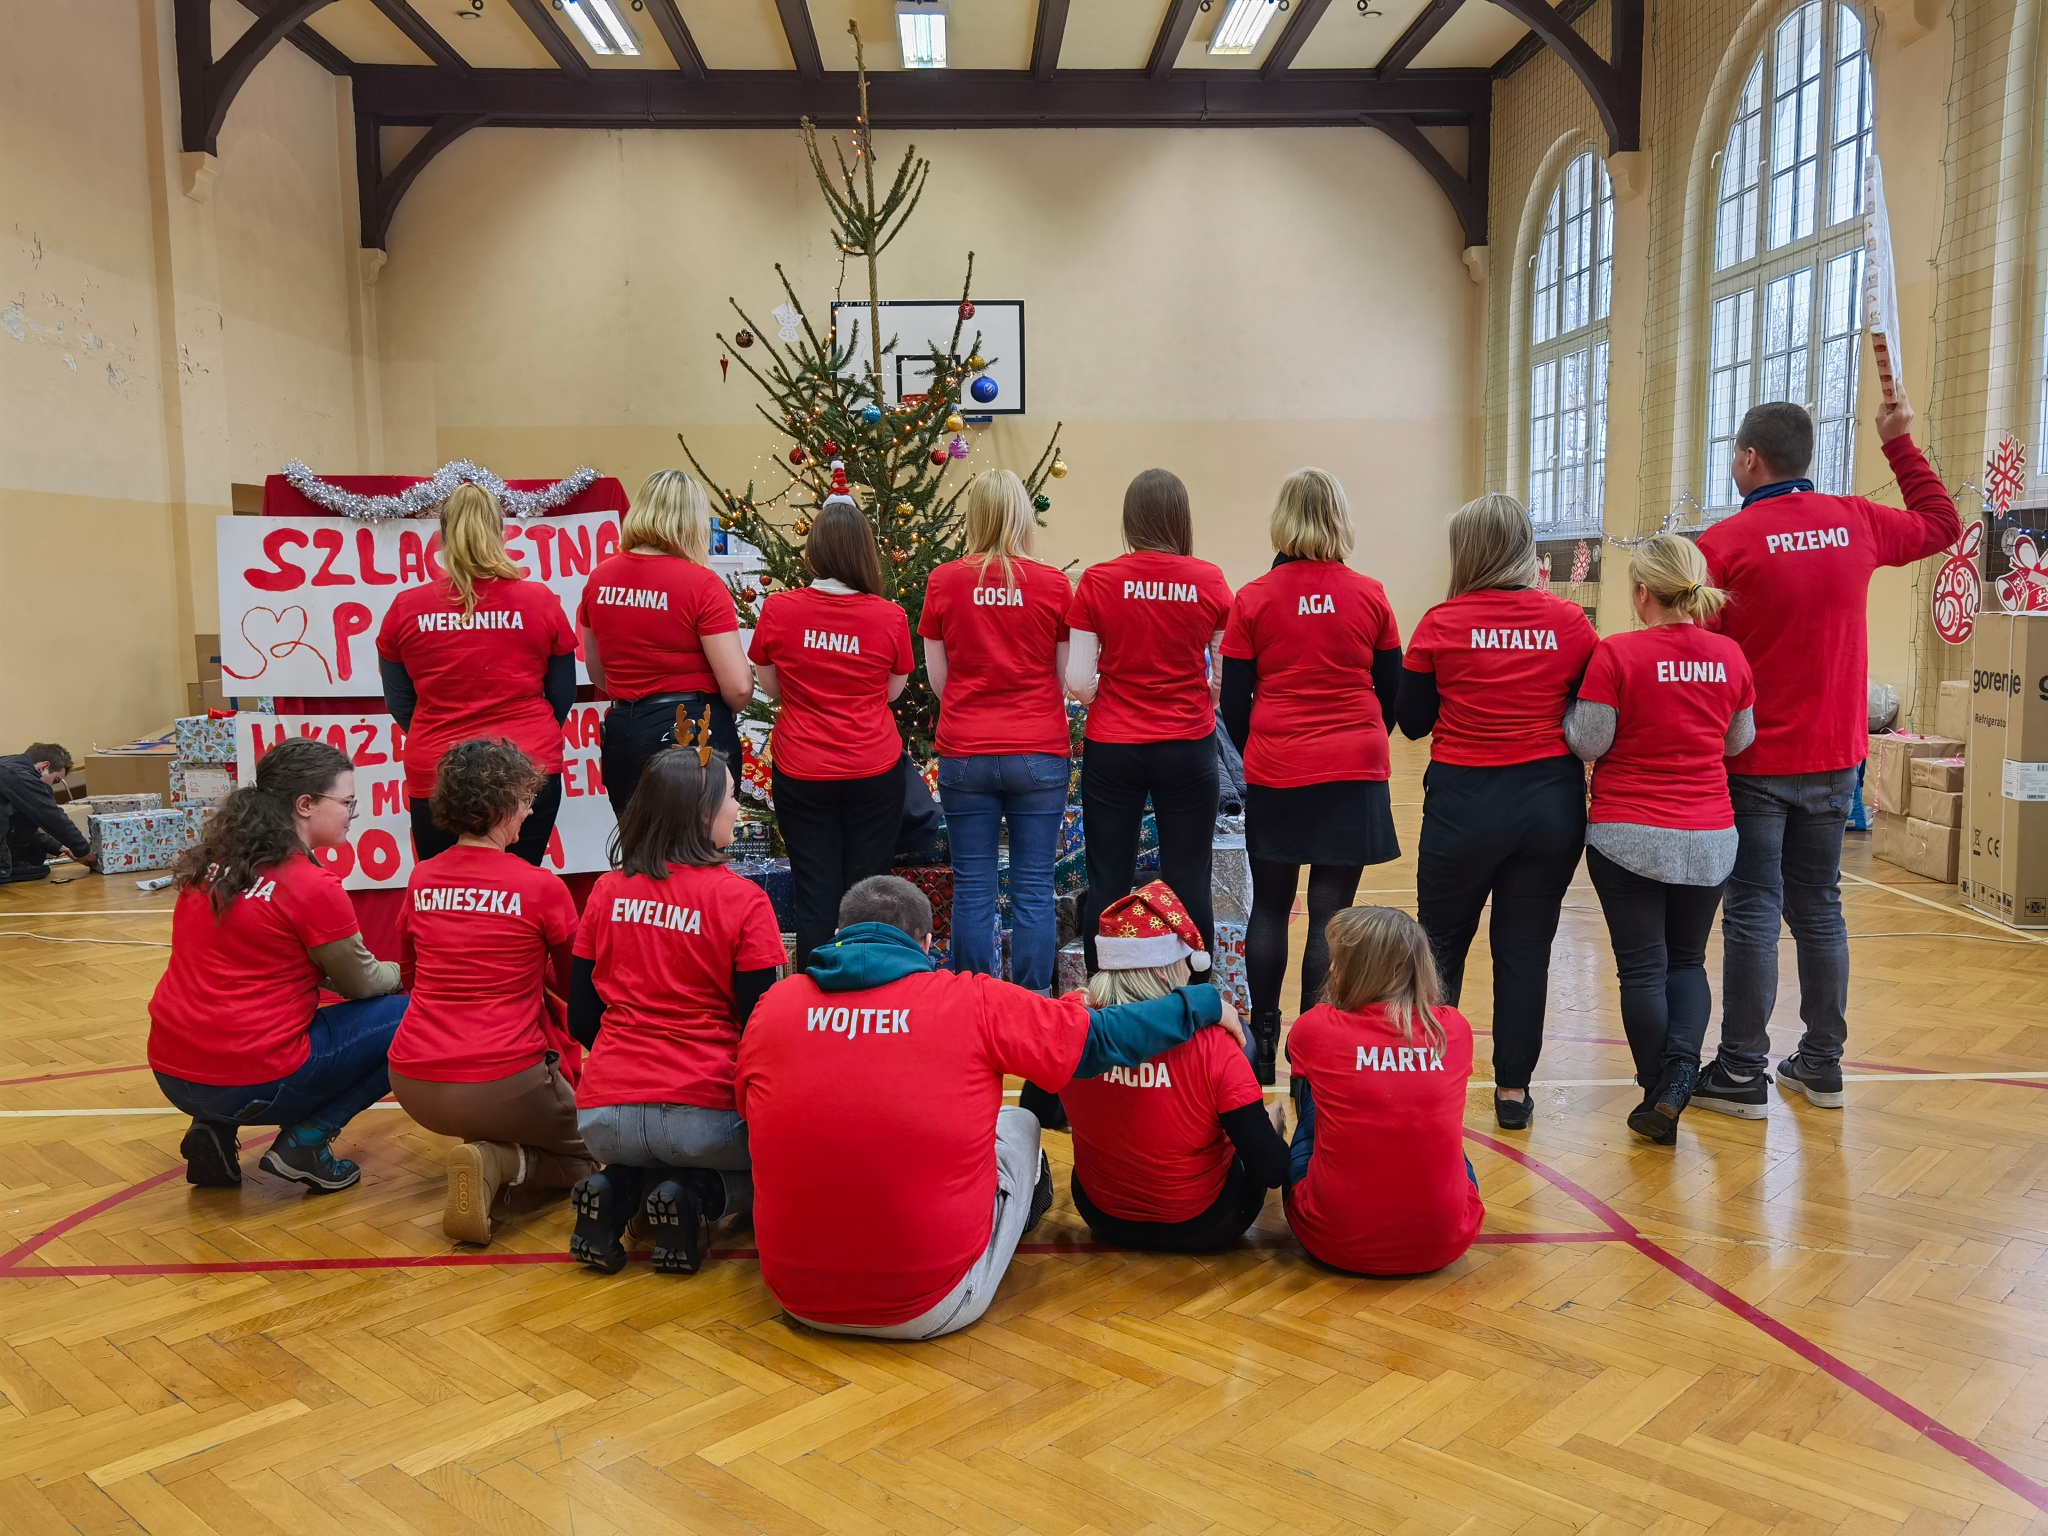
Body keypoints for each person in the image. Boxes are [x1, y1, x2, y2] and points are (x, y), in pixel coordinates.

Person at [734, 874, 1242, 1340]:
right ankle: (1011, 1213)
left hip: (798, 1300)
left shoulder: (773, 1007)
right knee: (1018, 1120)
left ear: (836, 933)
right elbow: (1102, 1040)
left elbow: (750, 1118)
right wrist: (1204, 1003)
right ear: (928, 944)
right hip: (934, 1302)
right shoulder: (972, 1002)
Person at [1690, 396, 1961, 1117]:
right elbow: (1943, 524)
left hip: (1753, 763)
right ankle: (1822, 1064)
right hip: (1837, 760)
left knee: (1752, 910)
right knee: (1820, 908)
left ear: (1750, 457)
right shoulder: (1856, 521)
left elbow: (1695, 651)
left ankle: (1743, 1071)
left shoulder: (1725, 543)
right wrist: (1900, 445)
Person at [1396, 494, 1598, 1130]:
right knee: (1525, 951)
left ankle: (1432, 1080)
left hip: (1464, 803)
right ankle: (1512, 1093)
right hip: (1548, 802)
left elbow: (1412, 721)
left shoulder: (1440, 623)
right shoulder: (1570, 623)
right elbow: (1591, 714)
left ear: (1468, 552)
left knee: (1442, 947)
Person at [566, 733, 786, 1276]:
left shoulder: (605, 891)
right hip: (704, 1112)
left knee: (648, 1153)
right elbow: (763, 1028)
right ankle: (697, 1198)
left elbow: (580, 1017)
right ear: (701, 810)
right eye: (732, 795)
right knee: (785, 1166)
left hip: (604, 1116)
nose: (739, 806)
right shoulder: (742, 900)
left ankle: (616, 1190)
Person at [147, 738, 406, 1193]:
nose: (354, 813)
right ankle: (308, 1140)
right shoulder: (312, 885)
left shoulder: (211, 865)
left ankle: (212, 1127)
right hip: (253, 1082)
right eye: (347, 801)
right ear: (305, 805)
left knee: (228, 1010)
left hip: (171, 1072)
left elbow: (247, 959)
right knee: (414, 1015)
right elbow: (363, 985)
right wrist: (404, 971)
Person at [1564, 537, 1755, 1144]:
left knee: (1641, 970)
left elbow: (1590, 741)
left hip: (1628, 837)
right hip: (1708, 836)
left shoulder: (1616, 654)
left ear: (1642, 593)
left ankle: (1660, 1090)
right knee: (1688, 962)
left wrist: (1565, 717)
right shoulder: (1730, 655)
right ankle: (1679, 1076)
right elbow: (1738, 742)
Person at [1220, 469, 1403, 1083]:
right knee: (1331, 912)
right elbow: (1395, 696)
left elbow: (1233, 705)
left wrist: (1267, 749)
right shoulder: (1371, 595)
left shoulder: (1253, 597)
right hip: (1352, 766)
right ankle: (1310, 1050)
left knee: (1270, 907)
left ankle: (1264, 1042)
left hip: (1279, 767)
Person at [387, 740, 595, 1243]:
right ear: (503, 806)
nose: (529, 811)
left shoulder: (422, 878)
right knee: (600, 1158)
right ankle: (499, 1160)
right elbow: (578, 991)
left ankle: (486, 1145)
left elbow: (410, 979)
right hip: (503, 1080)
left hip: (412, 1081)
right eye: (525, 800)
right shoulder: (541, 887)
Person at [1057, 882, 1290, 1252]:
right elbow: (1273, 1171)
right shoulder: (1214, 1046)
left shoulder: (1068, 1022)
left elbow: (1038, 1109)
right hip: (1203, 1225)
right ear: (1168, 972)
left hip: (1102, 1216)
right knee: (1262, 1138)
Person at [1067, 469, 1234, 969]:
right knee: (1188, 876)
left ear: (1130, 519)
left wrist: (1109, 698)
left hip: (1114, 747)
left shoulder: (1098, 580)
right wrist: (1199, 697)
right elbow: (1225, 674)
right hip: (1187, 745)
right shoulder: (1209, 580)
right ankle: (1198, 997)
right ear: (1181, 518)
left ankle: (1105, 995)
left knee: (1108, 878)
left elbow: (1077, 679)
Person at [920, 469, 1073, 993]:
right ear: (1023, 517)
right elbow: (1064, 674)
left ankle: (973, 1005)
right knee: (1034, 888)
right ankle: (1031, 1003)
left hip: (966, 749)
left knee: (973, 889)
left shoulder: (943, 581)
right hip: (1038, 748)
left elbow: (940, 680)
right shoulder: (1054, 584)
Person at [748, 498, 914, 967]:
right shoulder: (888, 616)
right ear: (864, 553)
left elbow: (770, 685)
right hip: (873, 768)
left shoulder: (780, 609)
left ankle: (816, 995)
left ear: (815, 549)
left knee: (814, 888)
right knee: (867, 891)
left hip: (802, 769)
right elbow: (894, 693)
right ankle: (867, 988)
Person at [377, 483, 579, 865]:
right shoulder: (539, 601)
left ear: (444, 536)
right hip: (529, 767)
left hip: (437, 768)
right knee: (519, 887)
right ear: (500, 532)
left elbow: (399, 701)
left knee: (444, 895)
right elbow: (562, 694)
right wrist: (527, 732)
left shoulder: (406, 608)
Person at [1283, 906, 1483, 1276]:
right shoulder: (1453, 1029)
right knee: (1439, 1130)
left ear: (1362, 969)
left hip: (1333, 1239)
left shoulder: (1317, 1027)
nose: (1330, 969)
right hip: (1446, 1242)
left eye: (1339, 960)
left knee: (1312, 1092)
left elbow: (1300, 1062)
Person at [578, 469, 753, 814]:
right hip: (693, 736)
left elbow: (599, 674)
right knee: (697, 854)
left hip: (627, 733)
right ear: (691, 522)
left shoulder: (599, 579)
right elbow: (737, 688)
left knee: (639, 851)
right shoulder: (701, 584)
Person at [1, 743, 95, 882]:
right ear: (44, 767)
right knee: (41, 866)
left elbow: (17, 823)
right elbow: (53, 818)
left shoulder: (7, 765)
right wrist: (85, 852)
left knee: (36, 847)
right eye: (55, 780)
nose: (51, 786)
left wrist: (57, 846)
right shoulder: (22, 776)